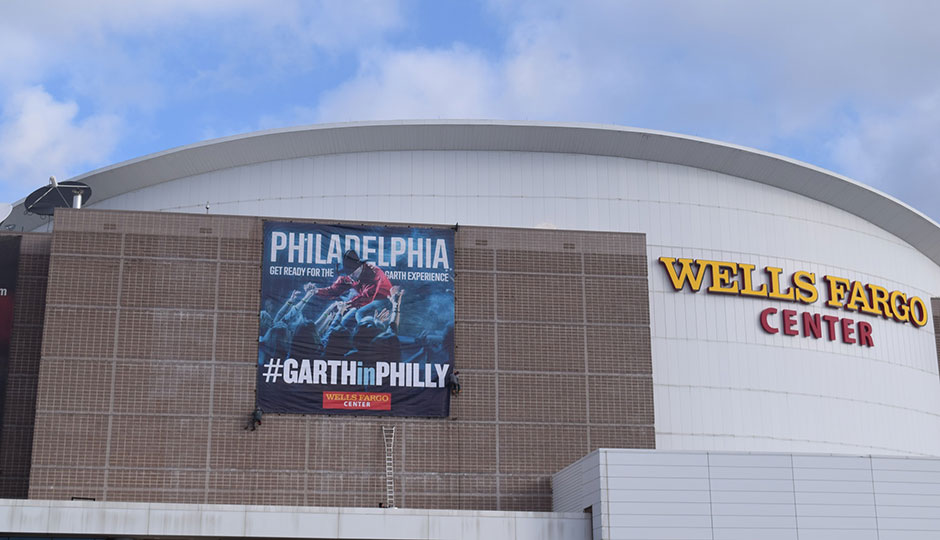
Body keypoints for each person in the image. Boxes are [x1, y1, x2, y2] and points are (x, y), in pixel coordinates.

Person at [313, 250, 393, 330]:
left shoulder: (374, 274)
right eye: (347, 272)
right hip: (363, 300)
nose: (350, 276)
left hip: (384, 300)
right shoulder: (348, 276)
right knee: (344, 321)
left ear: (360, 267)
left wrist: (345, 305)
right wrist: (316, 291)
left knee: (360, 314)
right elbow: (334, 290)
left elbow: (366, 298)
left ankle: (368, 334)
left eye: (352, 272)